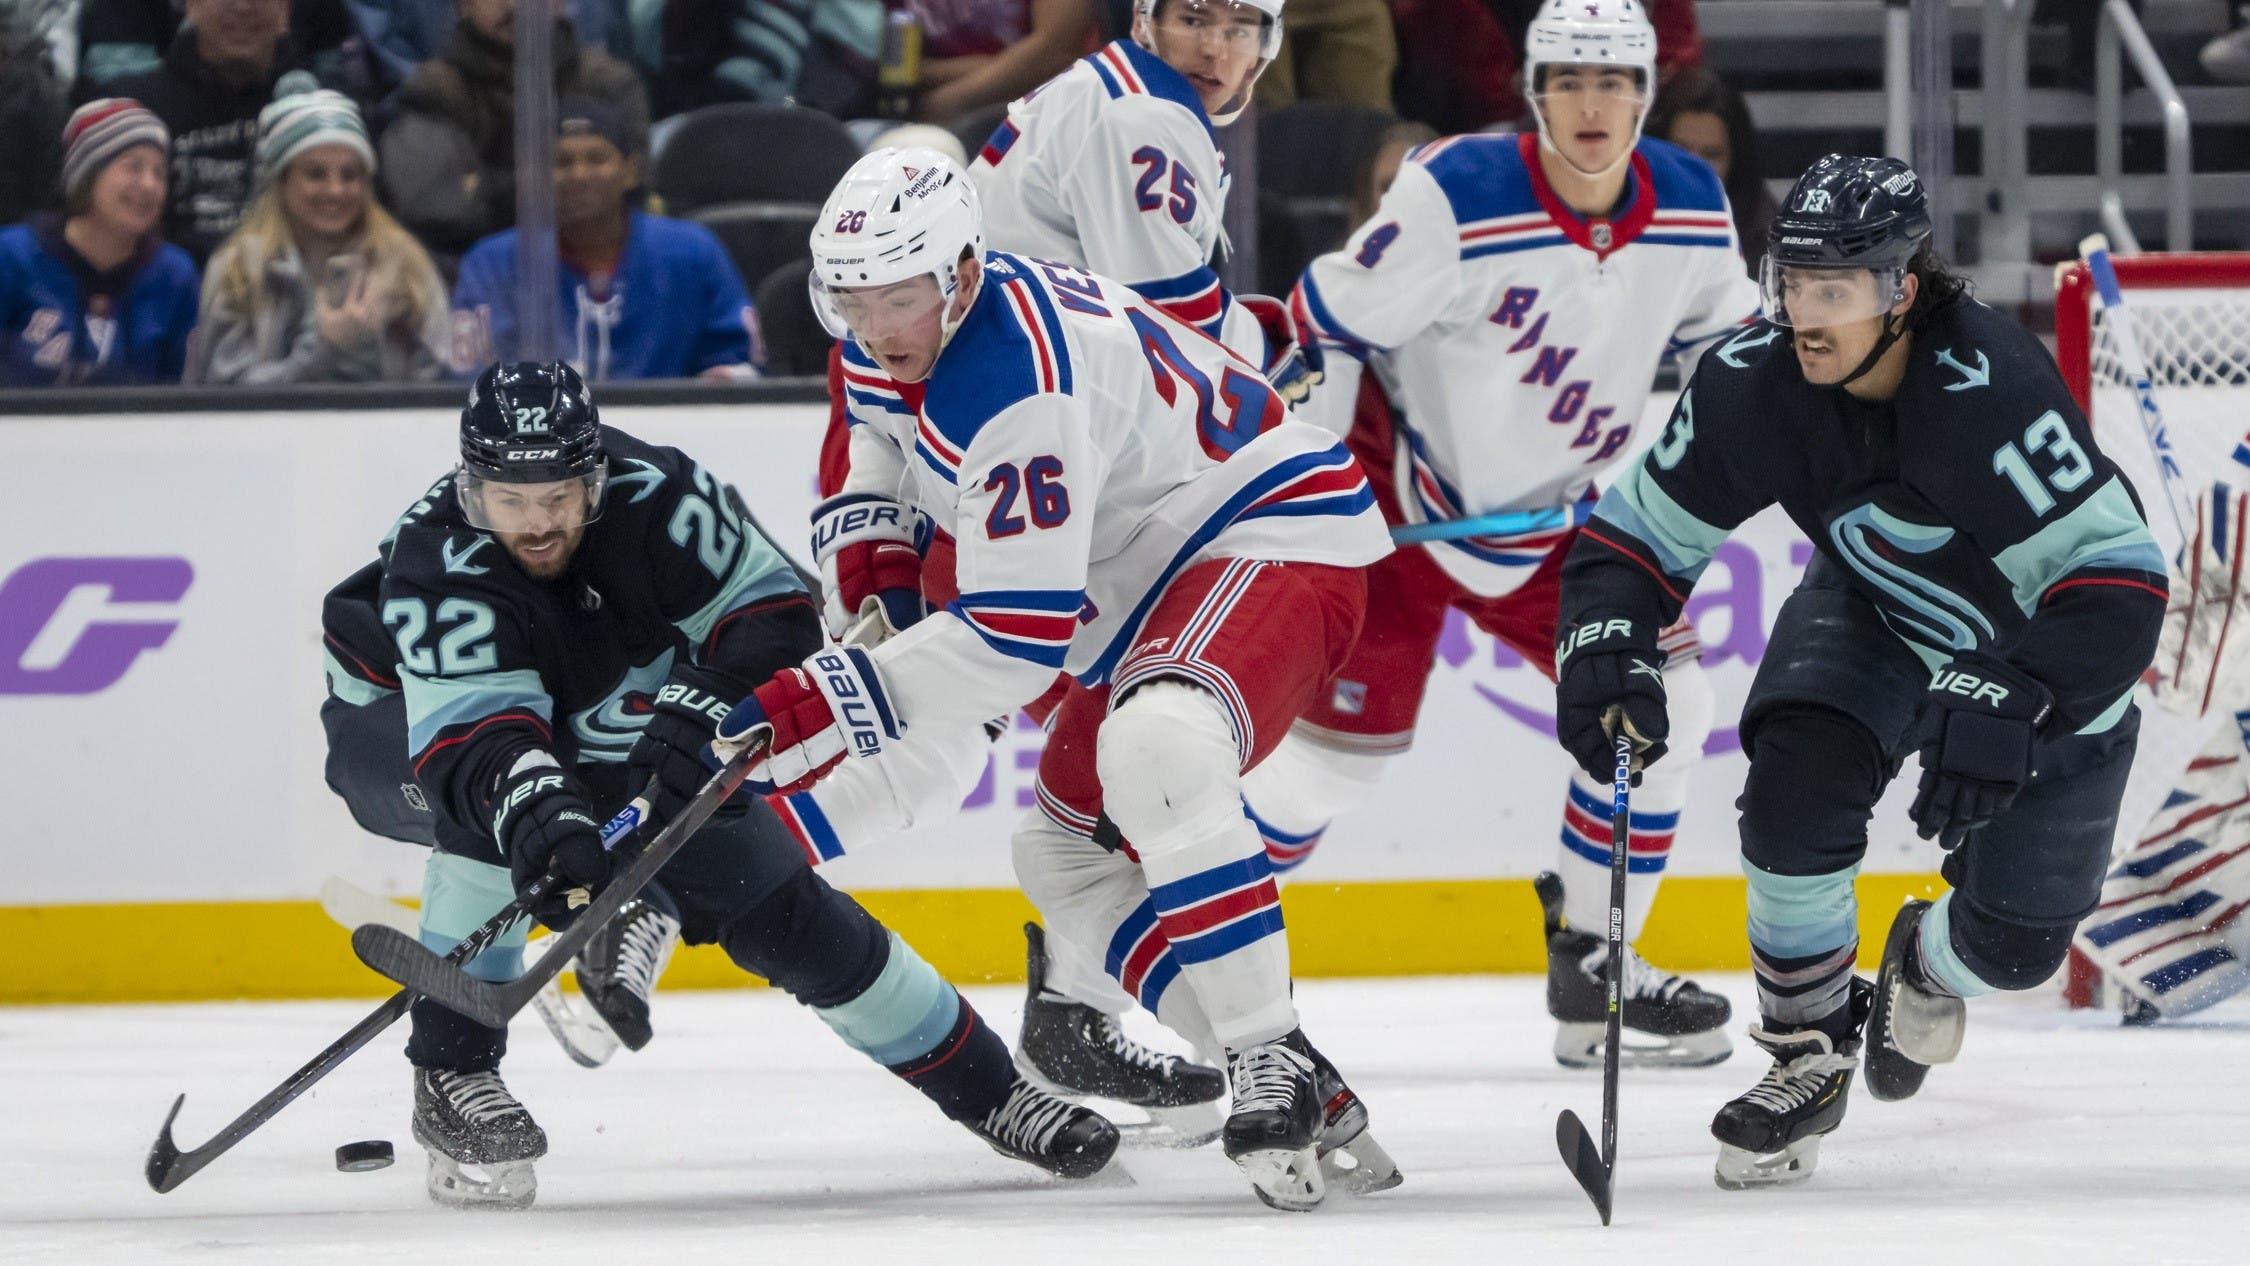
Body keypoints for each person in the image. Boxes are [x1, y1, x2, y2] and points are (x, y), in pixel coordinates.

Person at [712, 148, 1401, 1211]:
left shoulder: (1013, 379)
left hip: (1268, 532)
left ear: (961, 275)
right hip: (1149, 572)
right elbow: (881, 452)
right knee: (1060, 855)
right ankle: (1302, 1079)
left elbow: (1012, 642)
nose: (878, 323)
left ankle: (1262, 1052)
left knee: (1158, 747)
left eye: (900, 297)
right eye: (852, 299)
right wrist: (877, 571)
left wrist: (829, 697)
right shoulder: (890, 334)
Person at [316, 359, 1120, 1208]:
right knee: (495, 822)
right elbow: (475, 739)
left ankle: (995, 1092)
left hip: (590, 716)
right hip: (391, 730)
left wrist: (696, 714)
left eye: (557, 498)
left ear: (595, 478)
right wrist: (540, 814)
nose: (537, 524)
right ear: (473, 487)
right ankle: (452, 1070)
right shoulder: (438, 559)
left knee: (783, 911)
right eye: (510, 501)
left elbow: (774, 611)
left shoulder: (658, 495)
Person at [1554, 154, 2167, 1189]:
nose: (1805, 313)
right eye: (1792, 283)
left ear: (1903, 293)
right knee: (1793, 790)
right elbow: (1632, 543)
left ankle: (1922, 962)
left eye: (1834, 288)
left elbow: (2120, 581)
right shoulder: (1752, 385)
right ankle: (1806, 1053)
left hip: (2048, 661)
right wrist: (1607, 639)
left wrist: (2017, 688)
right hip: (1876, 606)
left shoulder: (1990, 387)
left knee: (2015, 952)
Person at [1260, 0, 1757, 1069]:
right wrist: (1306, 485)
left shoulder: (1689, 200)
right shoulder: (1458, 188)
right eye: (1570, 79)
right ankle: (1181, 961)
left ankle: (1594, 966)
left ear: (1647, 94)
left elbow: (1737, 358)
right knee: (1323, 776)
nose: (1593, 103)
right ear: (1533, 92)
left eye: (1616, 81)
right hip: (1397, 509)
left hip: (1557, 526)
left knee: (1669, 708)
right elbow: (1328, 312)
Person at [970, 0, 1295, 368]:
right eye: (1192, 20)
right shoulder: (1139, 117)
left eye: (1238, 31)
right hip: (1011, 367)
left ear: (1260, 51)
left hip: (1012, 344)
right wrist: (1271, 355)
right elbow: (1171, 323)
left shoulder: (1123, 90)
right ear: (1144, 23)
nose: (1212, 49)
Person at [450, 96, 756, 380]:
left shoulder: (693, 252)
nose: (579, 175)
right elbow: (469, 374)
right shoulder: (492, 263)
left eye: (597, 159)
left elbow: (739, 361)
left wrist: (720, 381)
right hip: (540, 433)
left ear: (630, 171)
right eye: (561, 162)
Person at [189, 85, 449, 383]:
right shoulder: (237, 268)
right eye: (315, 174)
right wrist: (322, 352)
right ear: (281, 180)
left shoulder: (405, 264)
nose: (335, 190)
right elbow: (222, 395)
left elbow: (435, 382)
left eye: (350, 175)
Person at [379, 0, 649, 263]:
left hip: (602, 266)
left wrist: (488, 186)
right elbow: (436, 207)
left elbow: (634, 187)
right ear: (464, 4)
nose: (514, 5)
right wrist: (568, 191)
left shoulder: (607, 83)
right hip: (469, 276)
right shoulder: (434, 90)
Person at [105, 0, 334, 263]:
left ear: (286, 8)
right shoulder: (132, 107)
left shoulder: (323, 111)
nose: (242, 7)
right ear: (190, 5)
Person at [0, 98, 199, 385]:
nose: (149, 185)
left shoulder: (175, 275)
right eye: (133, 167)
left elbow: (183, 395)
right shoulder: (12, 257)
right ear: (87, 176)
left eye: (159, 172)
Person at [1649, 65, 1773, 275]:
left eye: (1711, 155)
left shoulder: (1769, 243)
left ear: (1735, 161)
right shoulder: (1616, 215)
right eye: (1681, 152)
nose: (1694, 170)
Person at [905, 0, 1098, 127]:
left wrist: (952, 100)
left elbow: (1057, 48)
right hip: (910, 108)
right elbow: (892, 67)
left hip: (1043, 112)